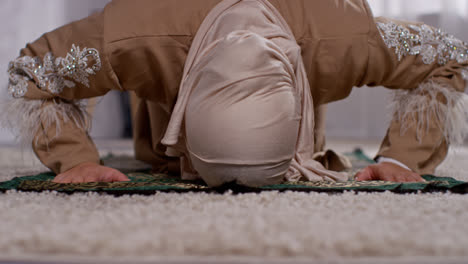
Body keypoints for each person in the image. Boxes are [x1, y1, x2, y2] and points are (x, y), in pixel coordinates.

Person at [3, 0, 468, 186]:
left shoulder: (342, 37)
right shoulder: (133, 37)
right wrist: (74, 159)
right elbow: (30, 71)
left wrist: (406, 158)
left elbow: (451, 57)